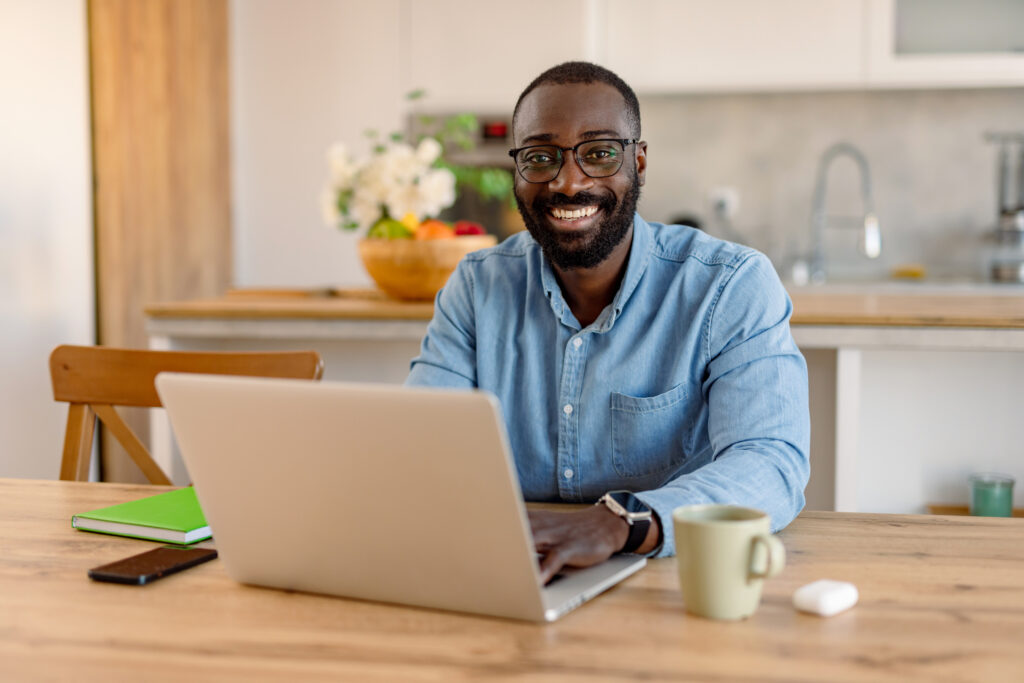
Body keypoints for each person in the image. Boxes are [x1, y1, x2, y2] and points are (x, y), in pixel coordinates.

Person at [406, 61, 809, 583]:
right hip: (515, 569)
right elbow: (421, 449)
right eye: (539, 156)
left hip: (673, 573)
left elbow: (771, 462)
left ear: (638, 163)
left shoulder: (730, 286)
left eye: (598, 153)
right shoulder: (477, 288)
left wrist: (623, 522)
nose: (568, 182)